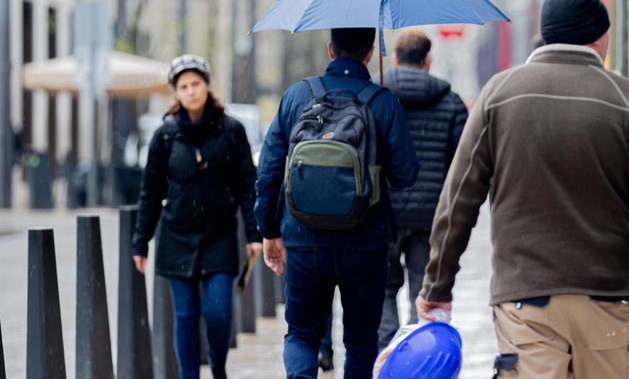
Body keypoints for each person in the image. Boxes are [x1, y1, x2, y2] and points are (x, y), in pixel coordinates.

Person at [416, 0, 629, 379]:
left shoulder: (498, 94)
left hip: (525, 298)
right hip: (607, 297)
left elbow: (458, 201)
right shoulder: (628, 100)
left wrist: (437, 286)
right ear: (599, 37)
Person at [255, 28, 418, 379]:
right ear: (371, 54)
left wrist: (269, 230)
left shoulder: (298, 95)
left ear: (330, 49)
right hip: (365, 240)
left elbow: (268, 171)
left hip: (302, 236)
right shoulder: (382, 101)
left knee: (301, 333)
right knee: (361, 341)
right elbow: (406, 175)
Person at [132, 54, 262, 379]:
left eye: (196, 84)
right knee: (186, 316)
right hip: (177, 235)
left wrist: (255, 235)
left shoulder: (232, 130)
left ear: (207, 86)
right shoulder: (165, 135)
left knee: (217, 312)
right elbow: (150, 190)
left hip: (219, 234)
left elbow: (247, 184)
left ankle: (218, 368)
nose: (191, 91)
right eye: (184, 86)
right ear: (176, 92)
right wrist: (140, 242)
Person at [377, 29, 467, 350]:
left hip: (383, 213)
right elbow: (464, 163)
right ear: (428, 60)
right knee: (423, 291)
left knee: (384, 288)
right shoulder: (452, 103)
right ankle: (417, 358)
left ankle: (387, 356)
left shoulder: (376, 98)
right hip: (431, 216)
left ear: (395, 59)